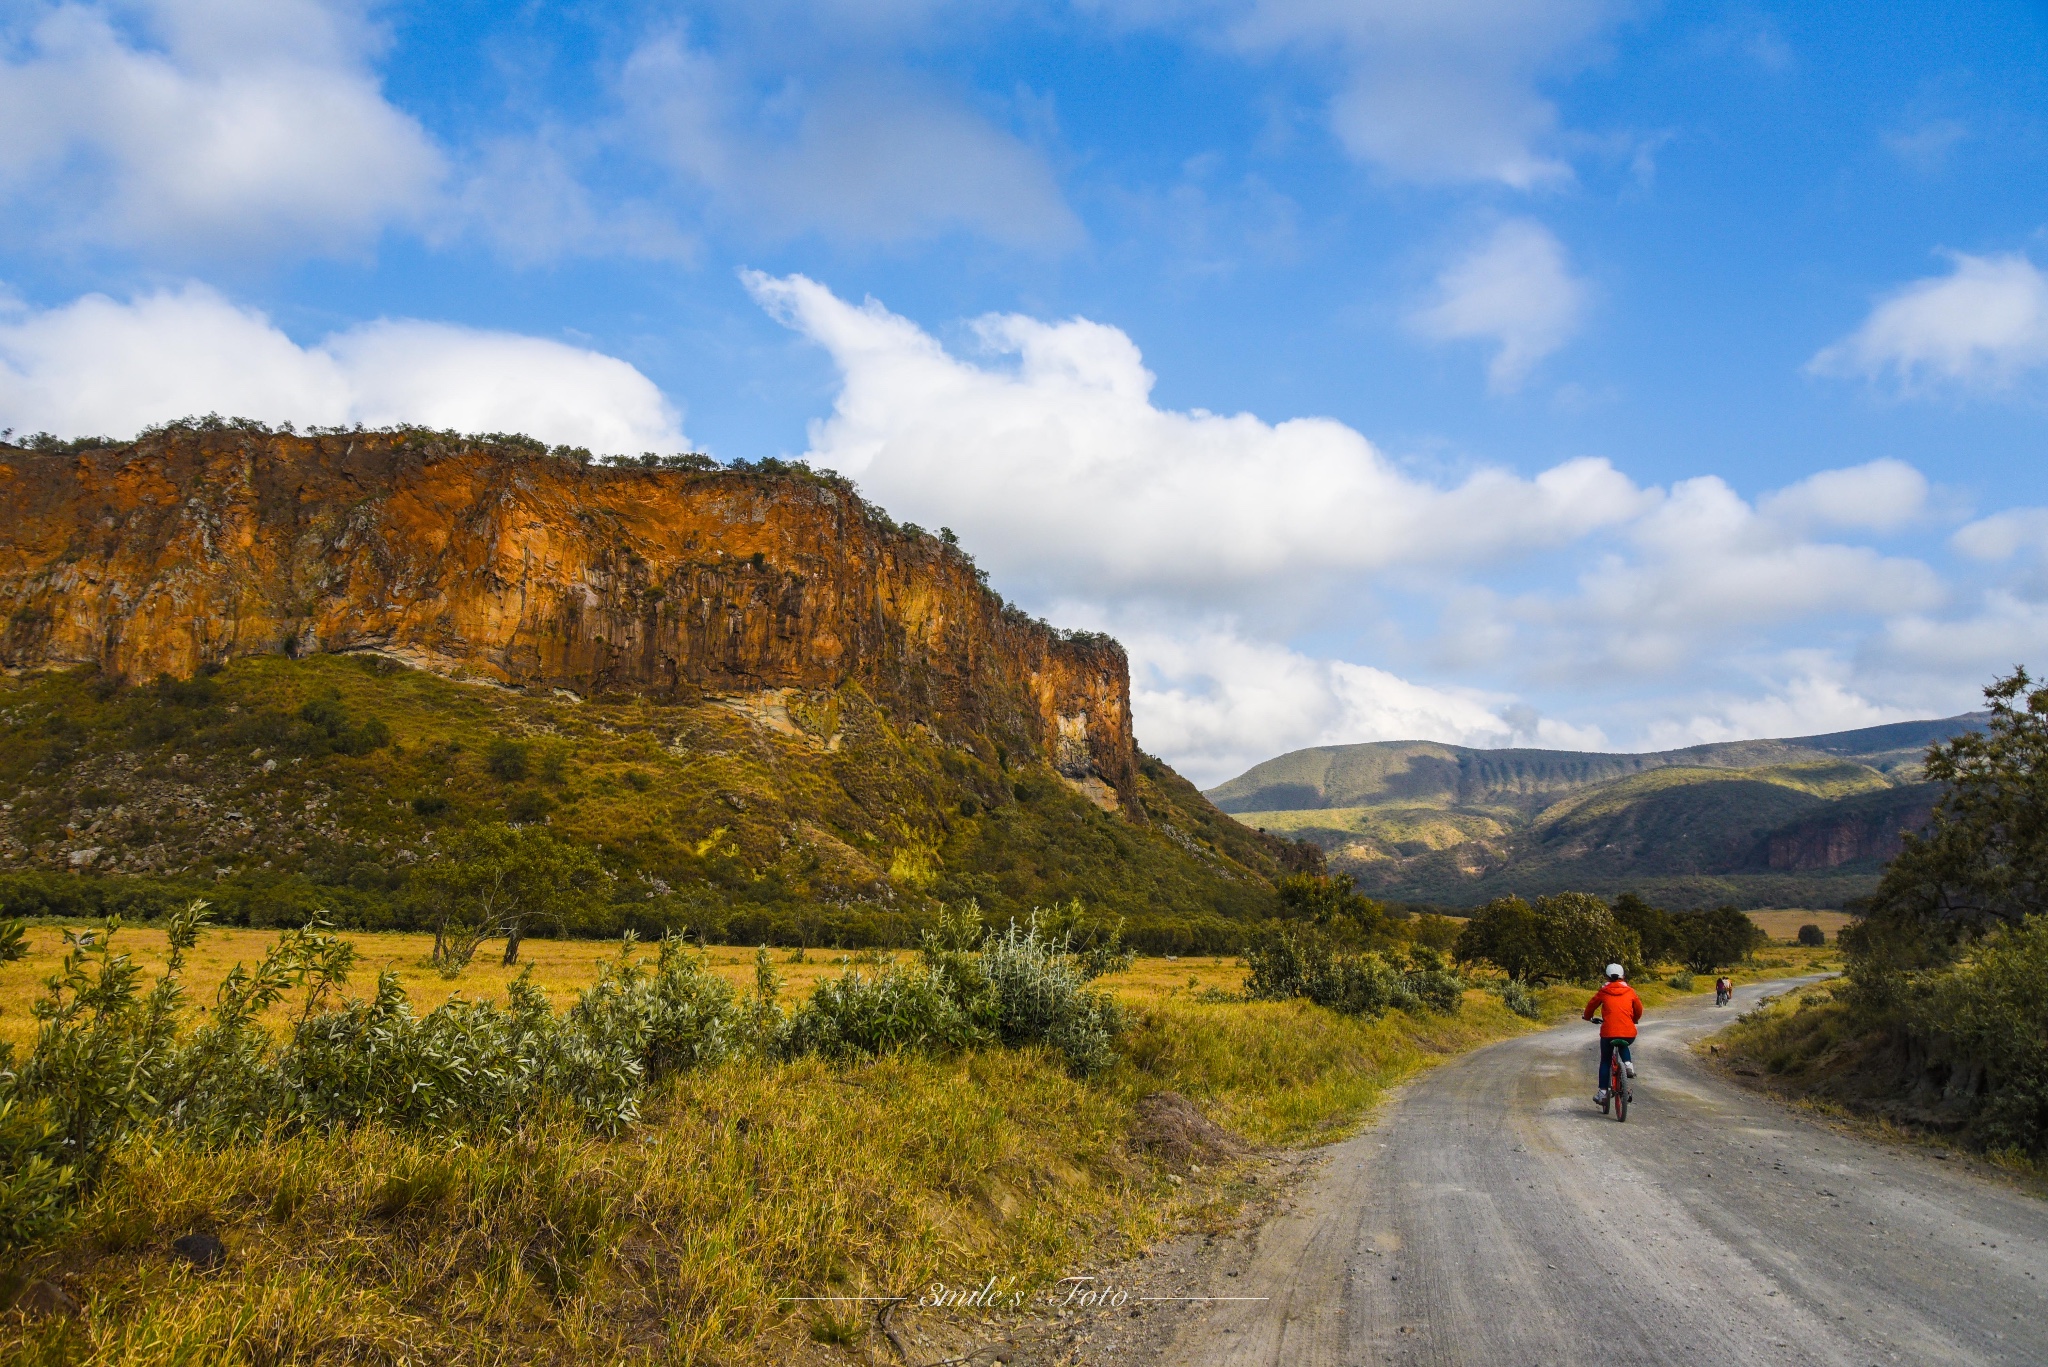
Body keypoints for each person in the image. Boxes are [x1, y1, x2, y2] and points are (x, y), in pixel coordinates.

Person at [1583, 963, 1643, 1112]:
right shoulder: (1630, 991)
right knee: (1624, 1044)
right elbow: (1639, 1009)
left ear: (1607, 977)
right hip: (1628, 1033)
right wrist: (1634, 1019)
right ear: (1623, 976)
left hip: (1608, 1033)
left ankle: (1603, 1093)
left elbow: (1591, 1005)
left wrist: (1587, 1016)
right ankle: (1628, 1065)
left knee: (1605, 1061)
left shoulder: (1604, 991)